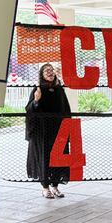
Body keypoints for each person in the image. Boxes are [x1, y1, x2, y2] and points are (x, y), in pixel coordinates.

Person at [26, 63, 71, 199]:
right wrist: (36, 101)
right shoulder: (38, 89)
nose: (50, 72)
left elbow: (66, 109)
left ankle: (55, 186)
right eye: (46, 70)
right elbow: (30, 109)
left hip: (58, 131)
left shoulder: (59, 89)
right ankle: (45, 188)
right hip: (43, 132)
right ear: (42, 74)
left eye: (51, 70)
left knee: (59, 158)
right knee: (45, 158)